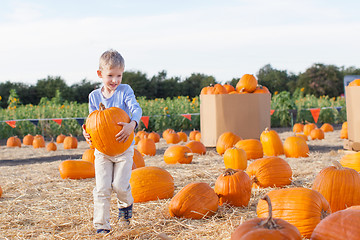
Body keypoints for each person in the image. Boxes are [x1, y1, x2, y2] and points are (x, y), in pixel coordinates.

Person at [82, 49, 142, 234]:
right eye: (110, 75)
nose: (115, 80)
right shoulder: (94, 97)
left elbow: (136, 109)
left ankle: (125, 207)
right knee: (102, 188)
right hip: (102, 152)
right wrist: (85, 133)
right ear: (100, 74)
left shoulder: (125, 91)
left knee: (120, 186)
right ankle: (102, 226)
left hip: (124, 149)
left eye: (119, 75)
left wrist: (132, 124)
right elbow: (92, 122)